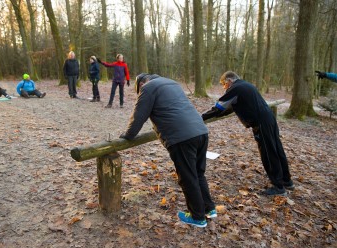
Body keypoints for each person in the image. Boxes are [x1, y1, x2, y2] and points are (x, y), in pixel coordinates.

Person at [120, 73, 216, 228]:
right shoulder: (171, 83)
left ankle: (198, 217)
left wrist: (128, 135)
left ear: (141, 84)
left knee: (188, 177)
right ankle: (209, 209)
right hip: (200, 132)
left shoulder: (148, 88)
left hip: (181, 138)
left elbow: (139, 116)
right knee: (198, 173)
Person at [202, 71, 294, 196]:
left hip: (260, 122)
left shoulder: (235, 88)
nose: (224, 87)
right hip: (269, 118)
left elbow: (219, 108)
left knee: (268, 153)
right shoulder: (245, 85)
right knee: (277, 149)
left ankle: (278, 187)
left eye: (224, 84)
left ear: (229, 81)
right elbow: (229, 108)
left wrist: (201, 117)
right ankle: (287, 181)